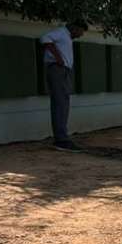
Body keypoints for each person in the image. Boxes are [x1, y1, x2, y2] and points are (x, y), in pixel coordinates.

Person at [40, 20, 87, 151]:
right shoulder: (61, 32)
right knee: (60, 103)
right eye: (80, 31)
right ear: (74, 27)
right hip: (57, 69)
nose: (81, 35)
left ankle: (62, 136)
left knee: (63, 102)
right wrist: (58, 58)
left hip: (64, 70)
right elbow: (45, 39)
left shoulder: (66, 36)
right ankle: (61, 139)